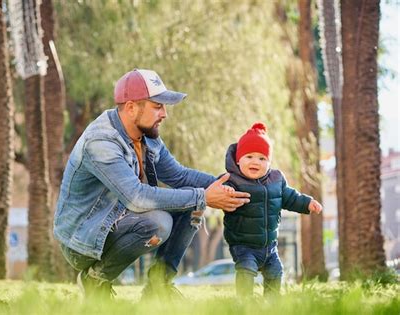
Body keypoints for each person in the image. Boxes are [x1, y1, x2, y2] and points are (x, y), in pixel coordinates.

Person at [53, 68, 250, 300]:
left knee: (192, 202)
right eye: (158, 106)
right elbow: (136, 197)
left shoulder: (146, 134)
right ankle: (94, 280)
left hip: (114, 221)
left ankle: (159, 285)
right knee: (160, 223)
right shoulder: (101, 142)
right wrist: (204, 196)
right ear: (131, 108)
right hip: (82, 240)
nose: (165, 113)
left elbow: (179, 176)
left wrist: (234, 186)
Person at [223, 122, 322, 297]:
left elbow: (290, 197)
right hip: (243, 244)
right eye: (249, 157)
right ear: (239, 160)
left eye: (262, 158)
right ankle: (244, 302)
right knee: (246, 269)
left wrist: (307, 203)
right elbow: (221, 190)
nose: (256, 162)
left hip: (270, 245)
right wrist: (227, 191)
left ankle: (272, 303)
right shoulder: (232, 180)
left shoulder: (277, 180)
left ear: (269, 162)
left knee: (275, 271)